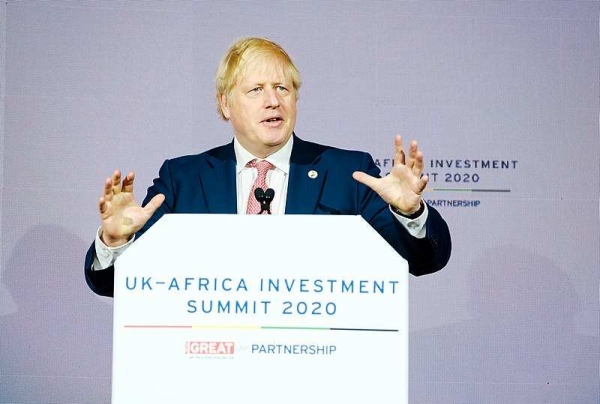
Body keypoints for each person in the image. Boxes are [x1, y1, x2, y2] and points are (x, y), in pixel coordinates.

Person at [84, 37, 451, 297]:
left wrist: (411, 213)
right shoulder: (183, 180)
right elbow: (114, 284)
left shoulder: (348, 173)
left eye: (283, 88)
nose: (273, 101)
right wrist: (116, 243)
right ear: (225, 104)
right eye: (256, 90)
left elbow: (424, 261)